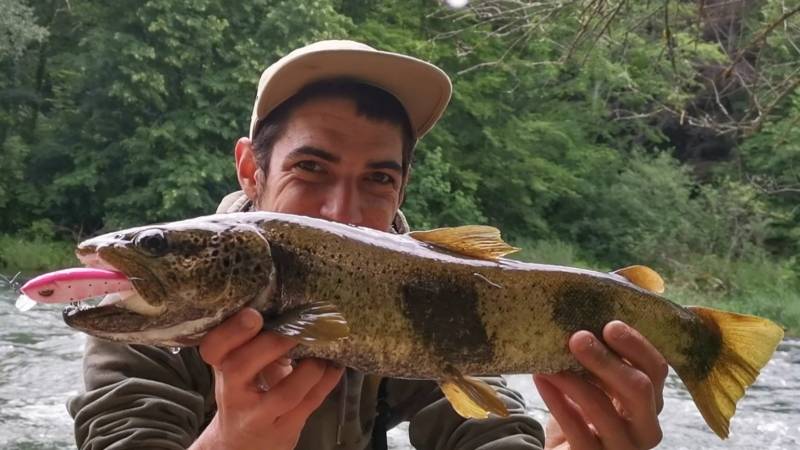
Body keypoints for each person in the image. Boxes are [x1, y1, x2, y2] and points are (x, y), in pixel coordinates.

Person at [68, 40, 667, 450]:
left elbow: (486, 429)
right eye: (311, 169)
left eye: (378, 179)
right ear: (251, 169)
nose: (343, 213)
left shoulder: (421, 287)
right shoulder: (154, 301)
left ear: (403, 184)